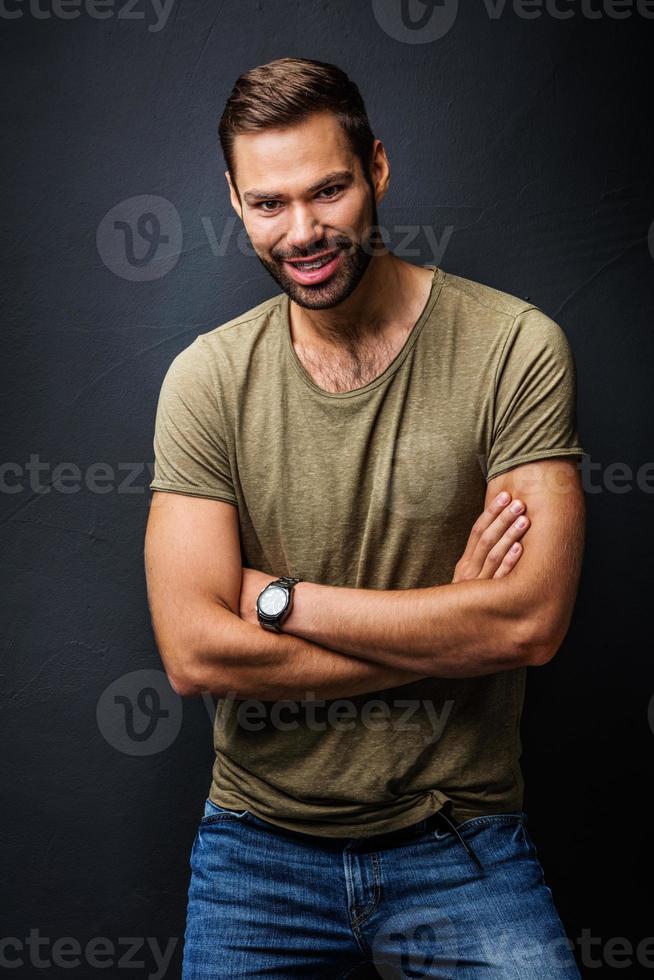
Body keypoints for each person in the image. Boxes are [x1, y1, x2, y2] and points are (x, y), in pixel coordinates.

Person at [144, 57, 585, 979]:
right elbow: (193, 655)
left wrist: (277, 604)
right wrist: (451, 626)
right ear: (232, 199)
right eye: (268, 203)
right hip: (256, 849)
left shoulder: (514, 347)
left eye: (329, 191)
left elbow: (531, 624)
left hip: (460, 839)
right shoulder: (206, 380)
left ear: (377, 168)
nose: (302, 232)